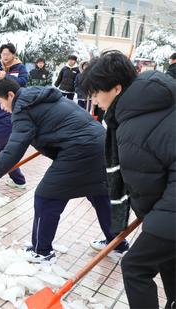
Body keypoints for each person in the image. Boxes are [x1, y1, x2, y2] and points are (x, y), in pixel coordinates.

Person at [0, 78, 128, 263]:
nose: (2, 108)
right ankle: (117, 243)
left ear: (11, 95)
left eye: (1, 103)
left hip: (79, 151)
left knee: (46, 197)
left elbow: (13, 149)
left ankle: (41, 251)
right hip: (101, 146)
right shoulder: (40, 97)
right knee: (99, 194)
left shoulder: (22, 108)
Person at [81, 50, 175, 309]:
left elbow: (145, 180)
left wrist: (154, 219)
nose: (94, 100)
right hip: (168, 205)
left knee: (135, 266)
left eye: (96, 93)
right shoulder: (151, 104)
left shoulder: (134, 123)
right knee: (168, 259)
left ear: (117, 88)